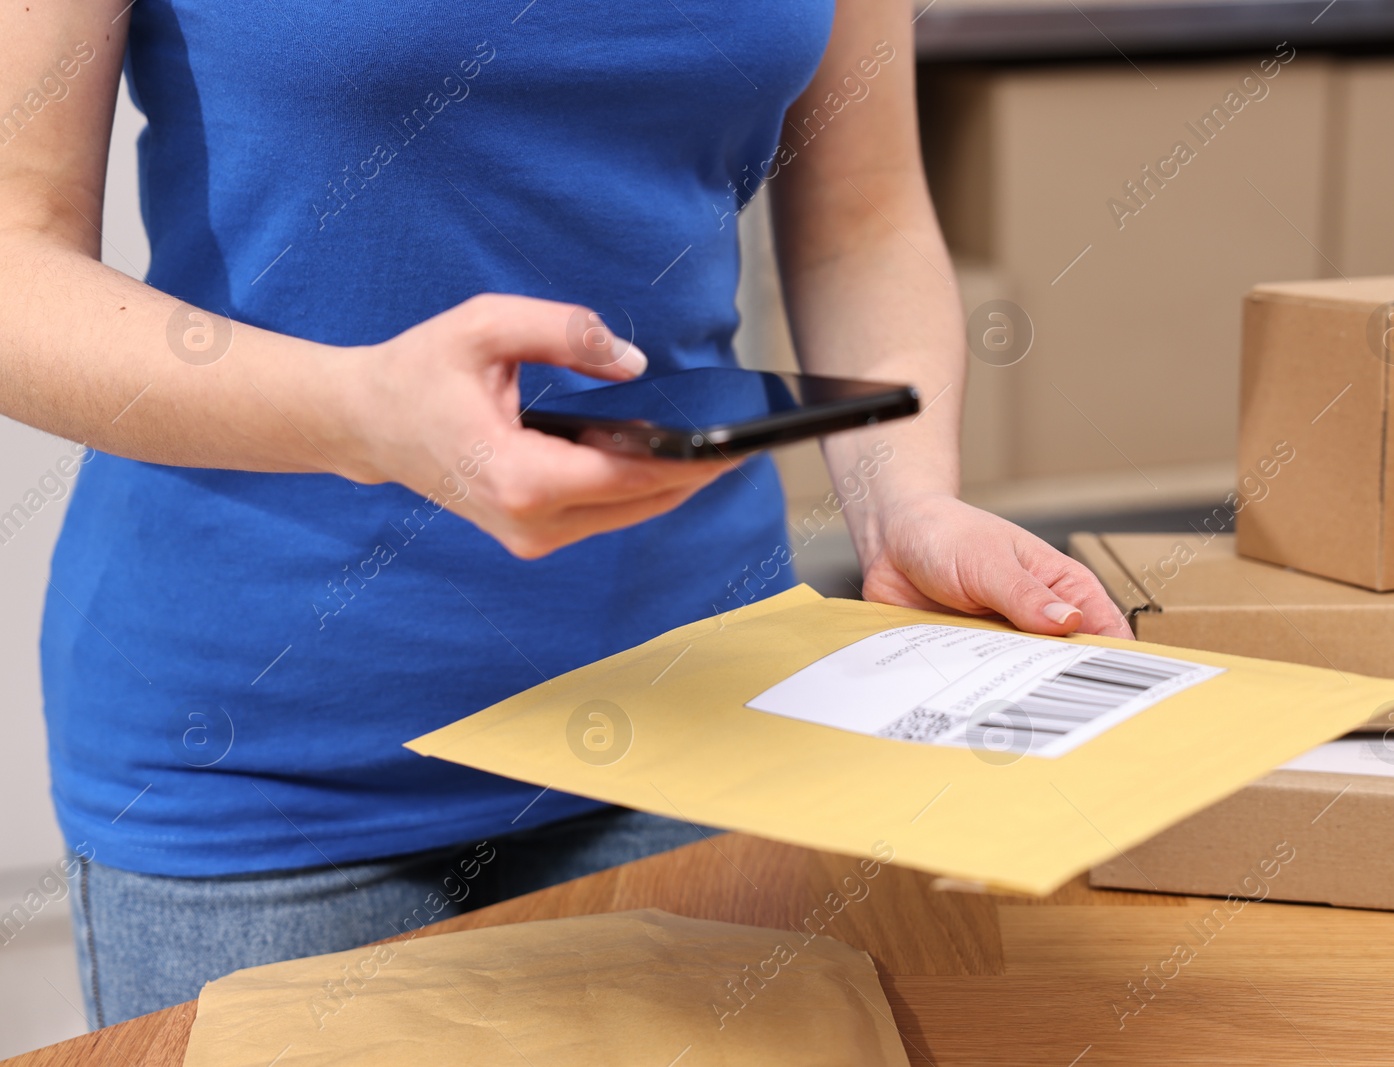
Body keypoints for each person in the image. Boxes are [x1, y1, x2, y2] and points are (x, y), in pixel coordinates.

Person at [0, 0, 1130, 1027]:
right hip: (264, 763)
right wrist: (354, 411)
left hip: (702, 705)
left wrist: (905, 504)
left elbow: (863, 214)